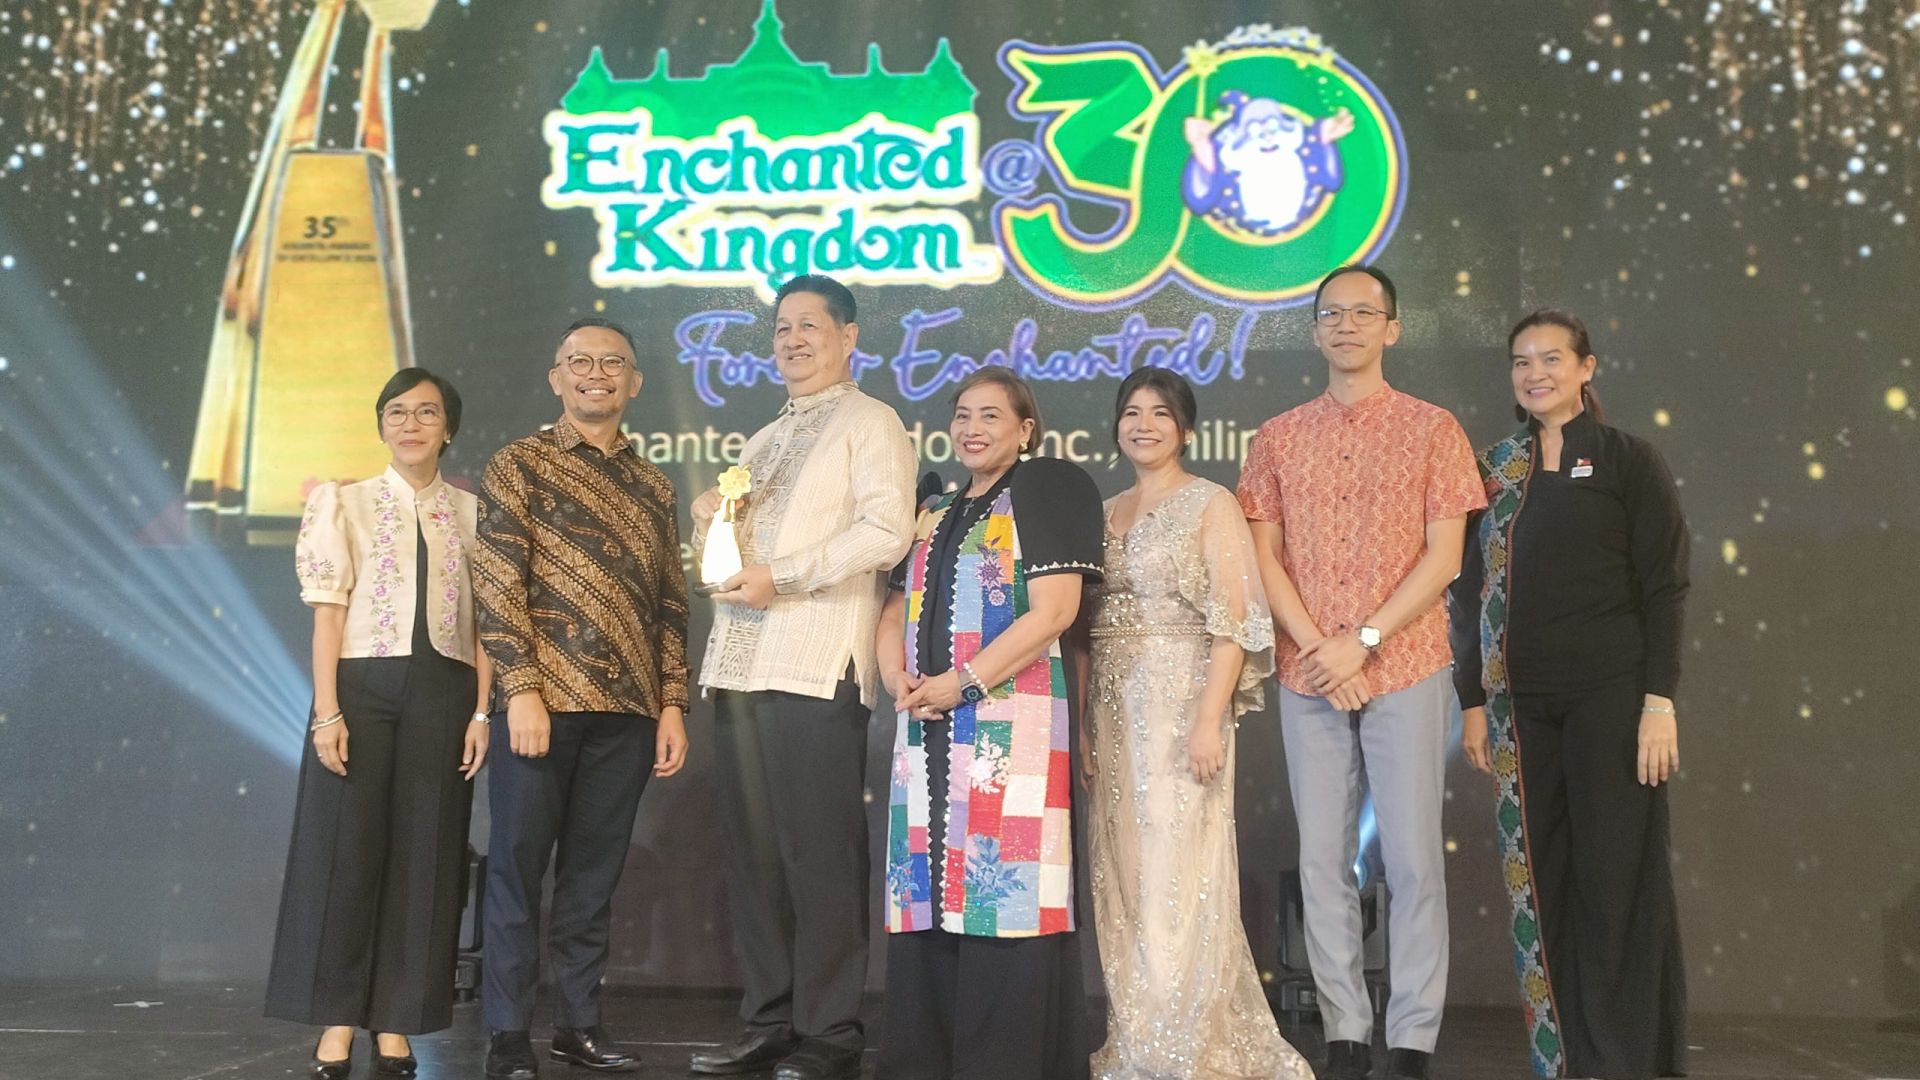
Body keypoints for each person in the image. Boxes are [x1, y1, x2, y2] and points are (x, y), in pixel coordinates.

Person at [1236, 265, 1487, 1080]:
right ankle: (1345, 1030)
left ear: (1393, 328)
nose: (1346, 325)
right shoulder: (1276, 437)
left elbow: (1446, 557)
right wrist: (1322, 648)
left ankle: (1411, 1038)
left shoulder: (1433, 428)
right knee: (1322, 859)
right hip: (1309, 671)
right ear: (1314, 331)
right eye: (1331, 314)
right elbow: (1264, 557)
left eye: (1363, 313)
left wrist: (1366, 640)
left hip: (1406, 665)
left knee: (1412, 860)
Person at [688, 274, 917, 1080]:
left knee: (819, 855)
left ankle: (831, 1030)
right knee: (753, 858)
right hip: (741, 668)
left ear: (848, 337)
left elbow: (887, 532)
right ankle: (769, 1019)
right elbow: (738, 559)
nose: (792, 339)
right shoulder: (761, 440)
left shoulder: (871, 422)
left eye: (810, 325)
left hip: (816, 667)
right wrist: (713, 526)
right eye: (782, 327)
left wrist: (781, 576)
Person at [1450, 310, 1689, 1079]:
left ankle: (1624, 1059)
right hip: (1519, 711)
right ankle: (1562, 1060)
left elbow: (1665, 586)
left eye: (1551, 359)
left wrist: (1659, 701)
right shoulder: (1494, 470)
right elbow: (1465, 592)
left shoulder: (1628, 460)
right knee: (1539, 881)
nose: (1535, 373)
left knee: (1615, 878)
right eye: (1522, 361)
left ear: (1587, 368)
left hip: (1611, 701)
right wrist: (1473, 699)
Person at [473, 317, 690, 1080]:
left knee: (592, 882)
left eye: (612, 363)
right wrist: (521, 692)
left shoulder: (654, 485)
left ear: (634, 381)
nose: (596, 373)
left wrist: (672, 703)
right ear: (556, 377)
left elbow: (670, 604)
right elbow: (497, 585)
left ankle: (577, 1026)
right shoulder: (518, 465)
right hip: (541, 709)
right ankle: (507, 1035)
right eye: (580, 362)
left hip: (627, 714)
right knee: (516, 873)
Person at [875, 367, 1105, 1080]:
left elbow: (1056, 610)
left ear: (1025, 429)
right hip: (927, 725)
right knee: (926, 893)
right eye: (963, 415)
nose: (972, 429)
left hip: (1010, 721)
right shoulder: (934, 507)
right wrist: (896, 678)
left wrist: (963, 682)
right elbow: (893, 610)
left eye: (991, 416)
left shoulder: (1047, 486)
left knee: (1003, 893)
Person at [1085, 368, 1314, 1080]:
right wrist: (1085, 727)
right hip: (1112, 711)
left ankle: (1188, 1044)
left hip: (1182, 705)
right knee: (1121, 870)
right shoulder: (1104, 509)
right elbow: (1082, 627)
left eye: (1160, 413)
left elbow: (1235, 621)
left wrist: (1209, 719)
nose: (1143, 425)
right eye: (1131, 412)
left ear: (1186, 429)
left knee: (1178, 871)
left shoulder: (1211, 503)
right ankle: (1139, 1039)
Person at [267, 368, 491, 1080]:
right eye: (397, 412)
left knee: (427, 854)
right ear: (381, 426)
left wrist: (480, 710)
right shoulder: (345, 502)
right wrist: (326, 711)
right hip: (360, 689)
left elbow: (486, 627)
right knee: (346, 851)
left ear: (449, 428)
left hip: (445, 690)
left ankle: (396, 1023)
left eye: (426, 412)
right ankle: (338, 1018)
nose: (411, 424)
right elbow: (327, 617)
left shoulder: (474, 513)